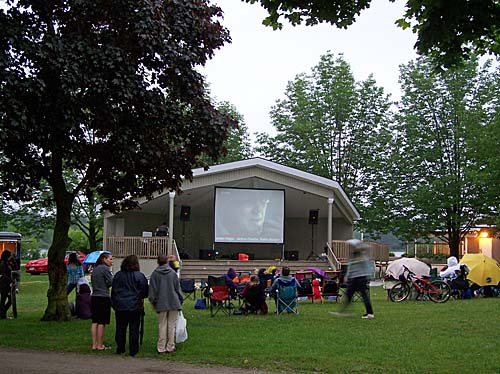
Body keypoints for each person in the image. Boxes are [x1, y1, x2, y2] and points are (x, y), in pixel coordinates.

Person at [111, 255, 149, 356]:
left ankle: (120, 347)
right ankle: (133, 349)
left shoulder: (118, 275)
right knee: (134, 328)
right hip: (135, 306)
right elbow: (145, 291)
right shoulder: (139, 276)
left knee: (120, 327)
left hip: (120, 306)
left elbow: (114, 290)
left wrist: (114, 303)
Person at [148, 253, 183, 354]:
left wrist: (153, 301)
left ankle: (161, 347)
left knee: (162, 325)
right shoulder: (172, 273)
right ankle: (170, 346)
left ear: (158, 261)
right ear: (167, 261)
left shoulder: (155, 274)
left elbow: (153, 290)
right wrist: (180, 299)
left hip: (161, 302)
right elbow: (177, 288)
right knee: (171, 325)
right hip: (173, 301)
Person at [332, 239, 375, 319]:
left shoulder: (362, 256)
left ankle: (370, 313)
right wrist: (347, 276)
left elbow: (368, 266)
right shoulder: (353, 256)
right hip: (354, 278)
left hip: (361, 278)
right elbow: (350, 267)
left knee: (363, 295)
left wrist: (369, 276)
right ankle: (342, 311)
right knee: (349, 295)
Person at [90, 252, 113, 351]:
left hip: (94, 296)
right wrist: (107, 286)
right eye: (110, 259)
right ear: (104, 259)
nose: (111, 261)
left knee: (95, 321)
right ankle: (100, 344)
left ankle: (94, 344)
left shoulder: (95, 269)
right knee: (102, 322)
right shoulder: (104, 269)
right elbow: (112, 280)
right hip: (103, 297)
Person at [0, 250, 13, 319]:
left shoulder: (7, 263)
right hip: (4, 284)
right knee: (4, 299)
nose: (11, 256)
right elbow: (3, 275)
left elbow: (15, 268)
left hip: (7, 283)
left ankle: (2, 313)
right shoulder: (2, 263)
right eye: (10, 255)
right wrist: (11, 281)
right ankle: (2, 314)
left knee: (10, 300)